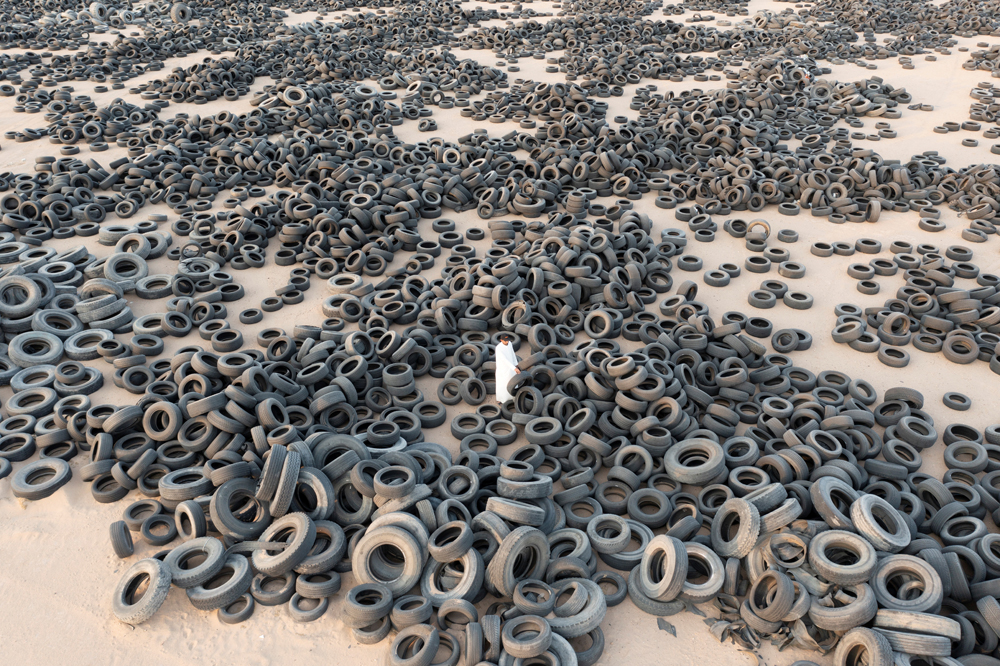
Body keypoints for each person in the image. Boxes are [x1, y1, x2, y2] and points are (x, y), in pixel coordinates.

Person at [494, 334, 519, 404]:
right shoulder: (498, 348)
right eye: (505, 341)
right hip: (503, 369)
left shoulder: (510, 344)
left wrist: (516, 364)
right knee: (502, 384)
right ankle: (501, 399)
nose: (507, 342)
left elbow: (512, 353)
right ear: (501, 340)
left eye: (507, 340)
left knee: (512, 382)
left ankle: (512, 398)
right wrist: (514, 368)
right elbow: (504, 360)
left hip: (511, 367)